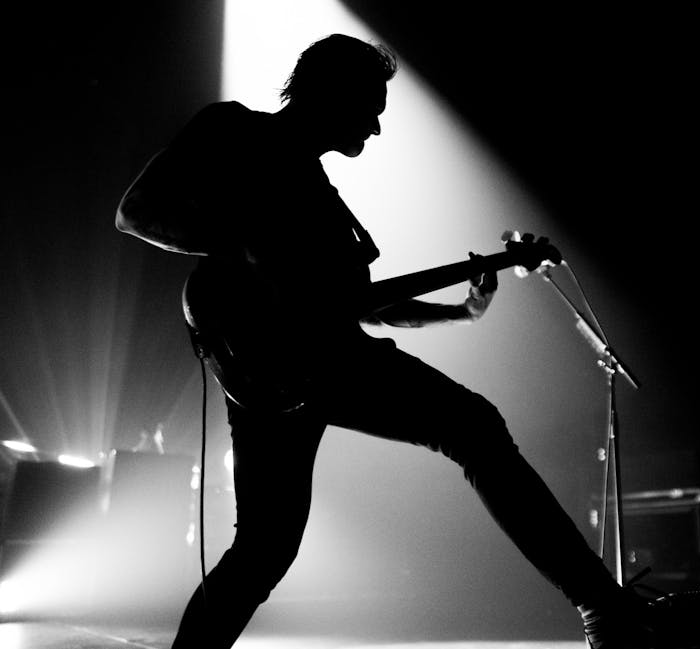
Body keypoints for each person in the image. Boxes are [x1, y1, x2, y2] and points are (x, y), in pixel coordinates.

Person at [116, 34, 657, 649]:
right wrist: (244, 246)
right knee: (275, 546)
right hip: (270, 361)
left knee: (458, 435)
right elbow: (136, 212)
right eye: (368, 108)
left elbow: (358, 303)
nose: (375, 127)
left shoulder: (326, 201)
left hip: (319, 359)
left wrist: (463, 309)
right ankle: (604, 609)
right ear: (330, 94)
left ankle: (602, 608)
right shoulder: (232, 128)